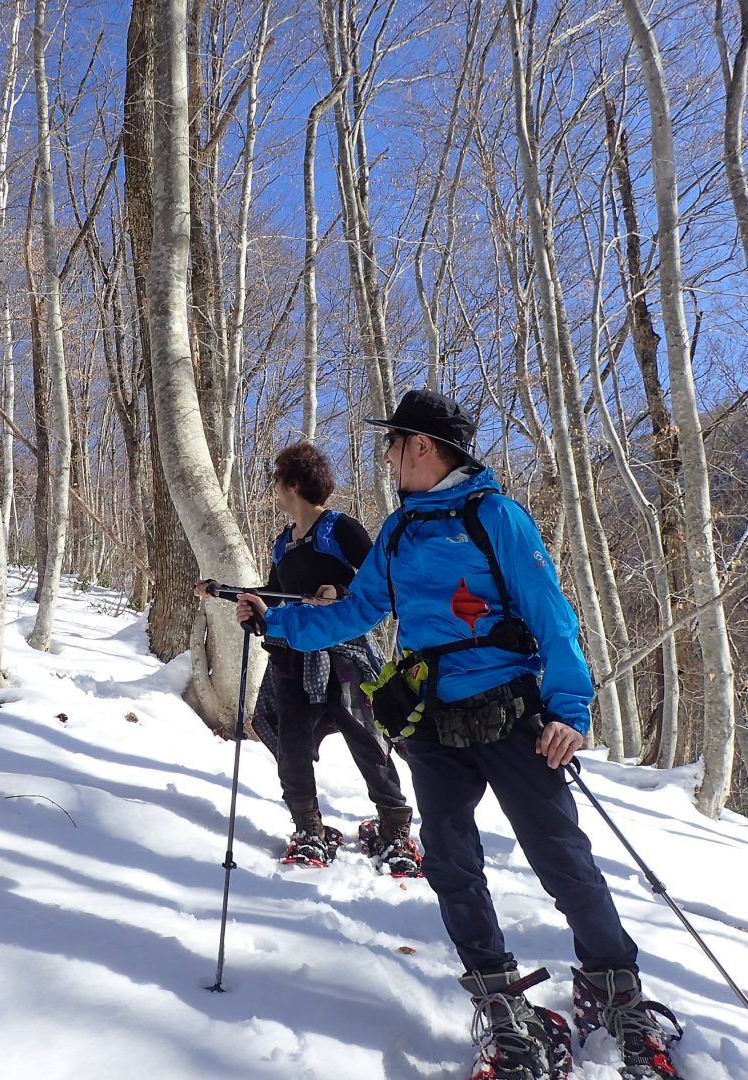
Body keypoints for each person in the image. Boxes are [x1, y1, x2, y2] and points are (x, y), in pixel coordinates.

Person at [235, 390, 681, 1080]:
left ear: (422, 447)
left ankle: (614, 985)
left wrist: (570, 712)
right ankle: (499, 1001)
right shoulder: (399, 532)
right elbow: (356, 612)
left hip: (513, 717)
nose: (385, 455)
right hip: (434, 727)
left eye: (393, 443)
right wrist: (275, 622)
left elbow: (552, 614)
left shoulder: (494, 517)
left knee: (563, 859)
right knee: (449, 862)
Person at [201, 443, 421, 874]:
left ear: (293, 485)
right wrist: (227, 593)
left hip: (346, 654)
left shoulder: (340, 528)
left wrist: (339, 593)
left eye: (278, 483)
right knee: (294, 743)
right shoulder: (283, 544)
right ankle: (309, 829)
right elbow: (270, 593)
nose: (276, 492)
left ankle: (394, 828)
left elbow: (380, 581)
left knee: (365, 737)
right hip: (293, 656)